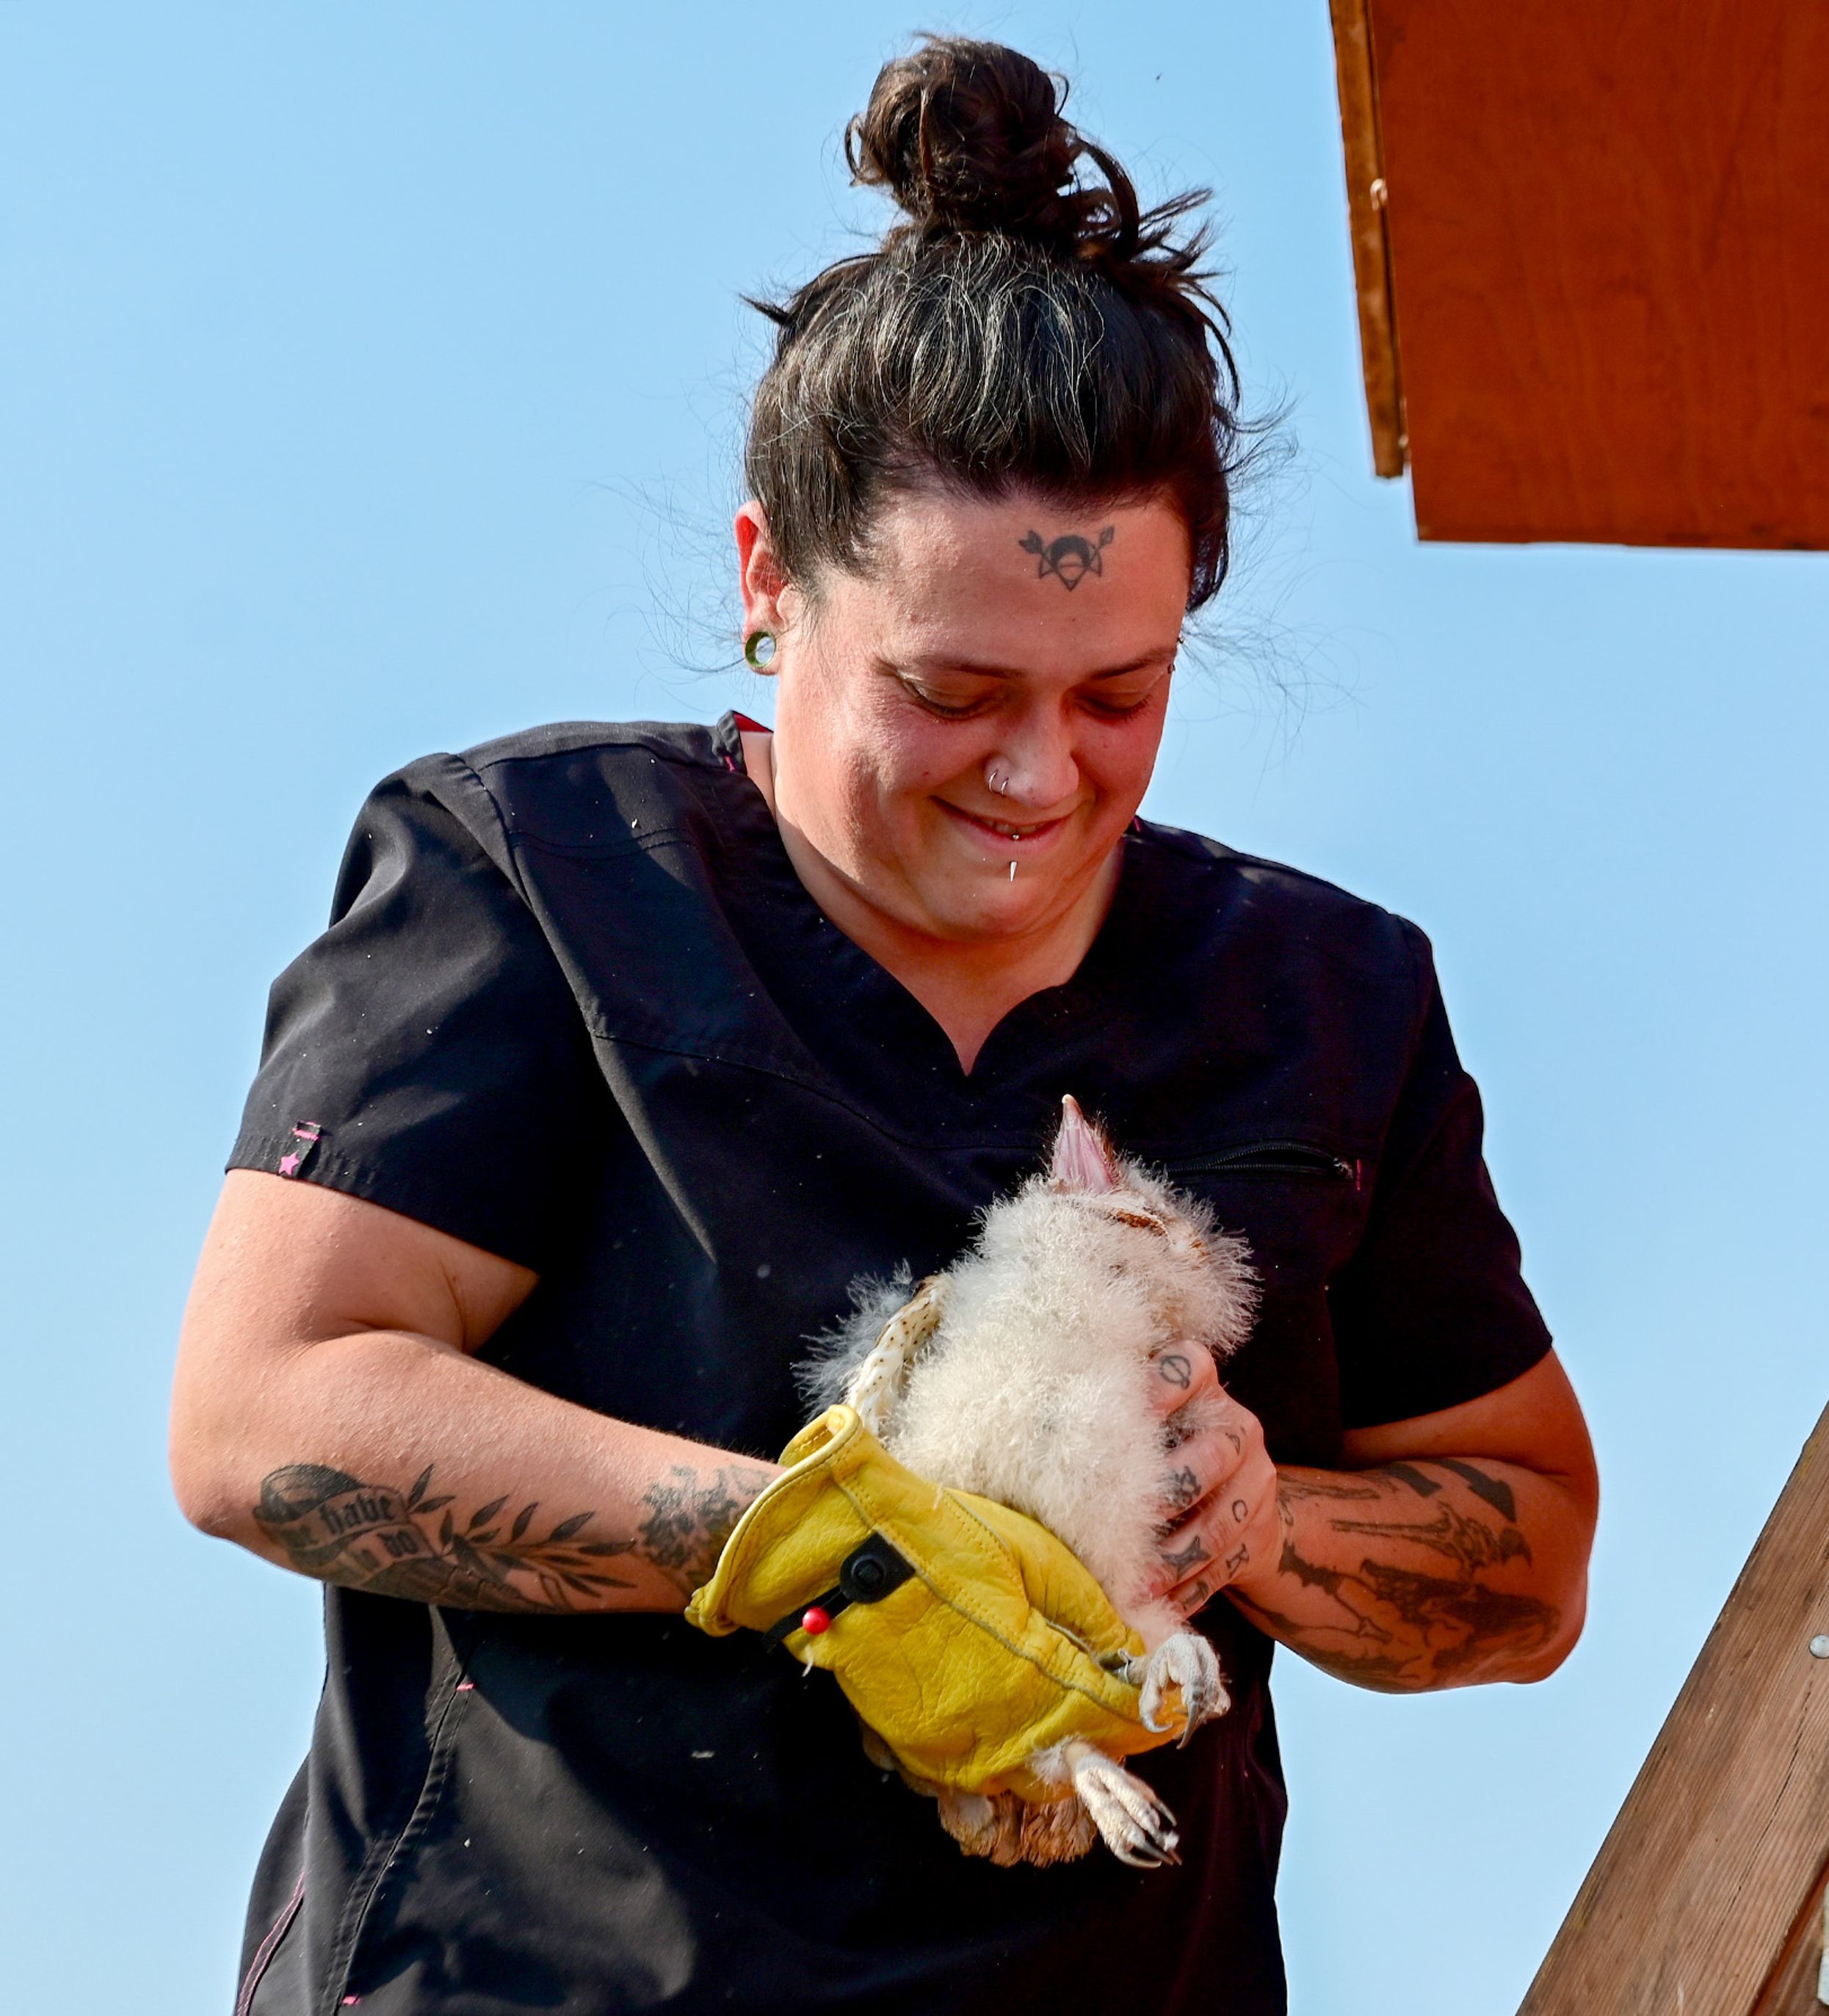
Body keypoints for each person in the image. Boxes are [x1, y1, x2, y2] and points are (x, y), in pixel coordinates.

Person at [167, 36, 1597, 2015]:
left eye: (1120, 692)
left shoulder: (1329, 998)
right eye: (951, 687)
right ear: (768, 582)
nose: (1035, 771)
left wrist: (1260, 1518)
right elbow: (261, 1409)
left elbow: (1531, 1552)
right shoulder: (533, 873)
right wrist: (807, 1541)